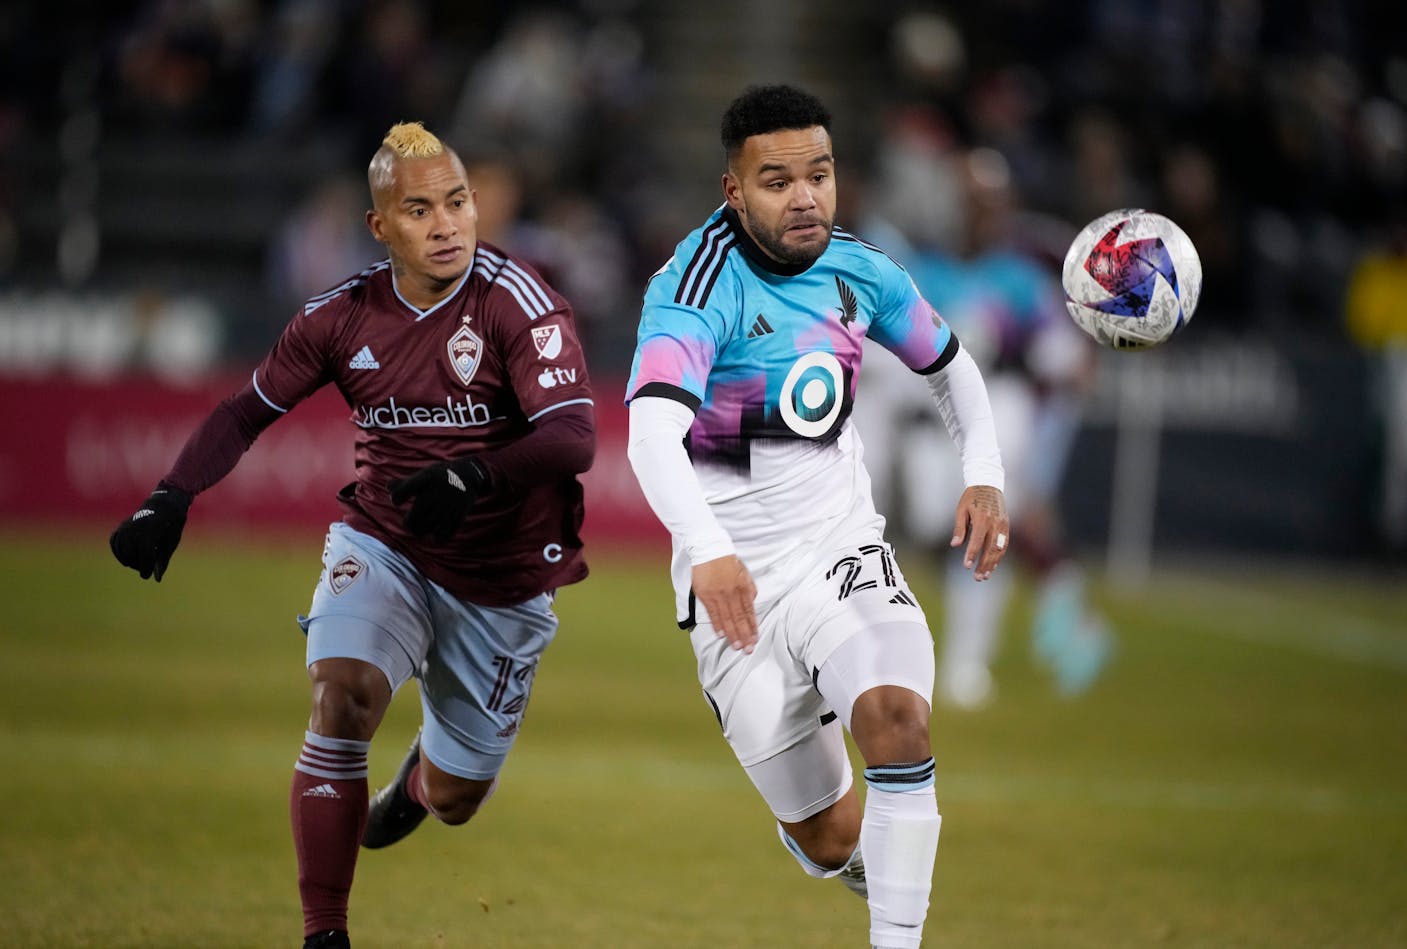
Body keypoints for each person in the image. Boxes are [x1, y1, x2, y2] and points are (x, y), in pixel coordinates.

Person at [108, 121, 596, 949]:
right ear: (381, 227)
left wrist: (474, 473)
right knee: (341, 698)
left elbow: (573, 435)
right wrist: (170, 496)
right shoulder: (340, 316)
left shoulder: (520, 301)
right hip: (386, 544)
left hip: (504, 577)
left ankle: (415, 784)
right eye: (420, 210)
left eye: (458, 201)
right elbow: (244, 410)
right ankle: (323, 934)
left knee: (457, 796)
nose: (447, 224)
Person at [624, 84, 1009, 949]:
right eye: (777, 181)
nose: (805, 197)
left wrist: (982, 473)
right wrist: (711, 549)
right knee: (830, 835)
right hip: (735, 587)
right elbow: (651, 435)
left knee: (898, 722)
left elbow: (950, 367)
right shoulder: (692, 287)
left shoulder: (861, 269)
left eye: (820, 175)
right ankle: (838, 849)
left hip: (840, 547)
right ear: (734, 191)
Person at [859, 143, 1111, 709]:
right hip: (920, 425)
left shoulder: (1021, 280)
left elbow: (1061, 357)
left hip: (996, 417)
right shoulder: (916, 269)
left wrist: (1083, 355)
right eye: (972, 200)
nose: (980, 213)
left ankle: (968, 664)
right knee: (920, 532)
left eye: (991, 202)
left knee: (983, 535)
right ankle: (1059, 595)